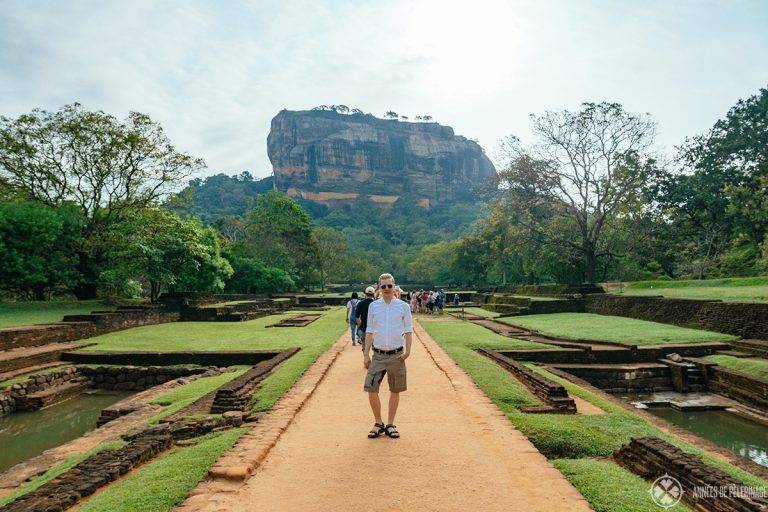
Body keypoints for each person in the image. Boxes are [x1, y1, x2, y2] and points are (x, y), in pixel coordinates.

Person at [363, 273, 412, 439]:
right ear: (379, 288)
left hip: (396, 355)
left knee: (395, 389)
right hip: (377, 355)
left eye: (389, 286)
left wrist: (408, 351)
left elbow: (409, 330)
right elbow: (369, 331)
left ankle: (390, 424)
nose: (386, 289)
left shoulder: (403, 306)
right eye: (383, 286)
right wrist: (365, 355)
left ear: (394, 286)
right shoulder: (374, 306)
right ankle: (378, 422)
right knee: (371, 388)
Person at [354, 286, 376, 350]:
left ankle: (366, 357)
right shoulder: (375, 304)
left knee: (364, 344)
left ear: (365, 294)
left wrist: (359, 325)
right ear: (373, 294)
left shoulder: (361, 303)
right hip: (374, 328)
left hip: (364, 328)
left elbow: (357, 317)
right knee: (375, 346)